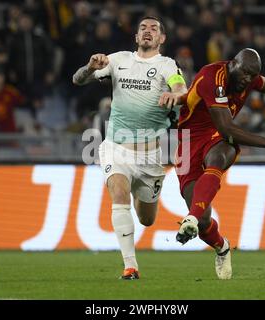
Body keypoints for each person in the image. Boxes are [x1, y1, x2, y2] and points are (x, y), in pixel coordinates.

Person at [172, 48, 265, 280]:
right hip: (188, 142)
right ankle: (222, 246)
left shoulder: (246, 78)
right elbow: (227, 128)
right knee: (204, 222)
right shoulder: (213, 78)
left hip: (215, 138)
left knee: (219, 156)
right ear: (233, 65)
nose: (248, 80)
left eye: (252, 75)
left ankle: (190, 217)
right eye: (245, 74)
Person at [72, 16, 187, 280]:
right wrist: (90, 67)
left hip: (150, 155)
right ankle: (130, 266)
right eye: (143, 29)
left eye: (154, 29)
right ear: (136, 37)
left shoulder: (167, 65)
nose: (148, 32)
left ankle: (142, 195)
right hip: (116, 148)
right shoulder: (119, 59)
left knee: (147, 219)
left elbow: (182, 89)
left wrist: (176, 95)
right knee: (119, 194)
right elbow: (77, 80)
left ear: (162, 39)